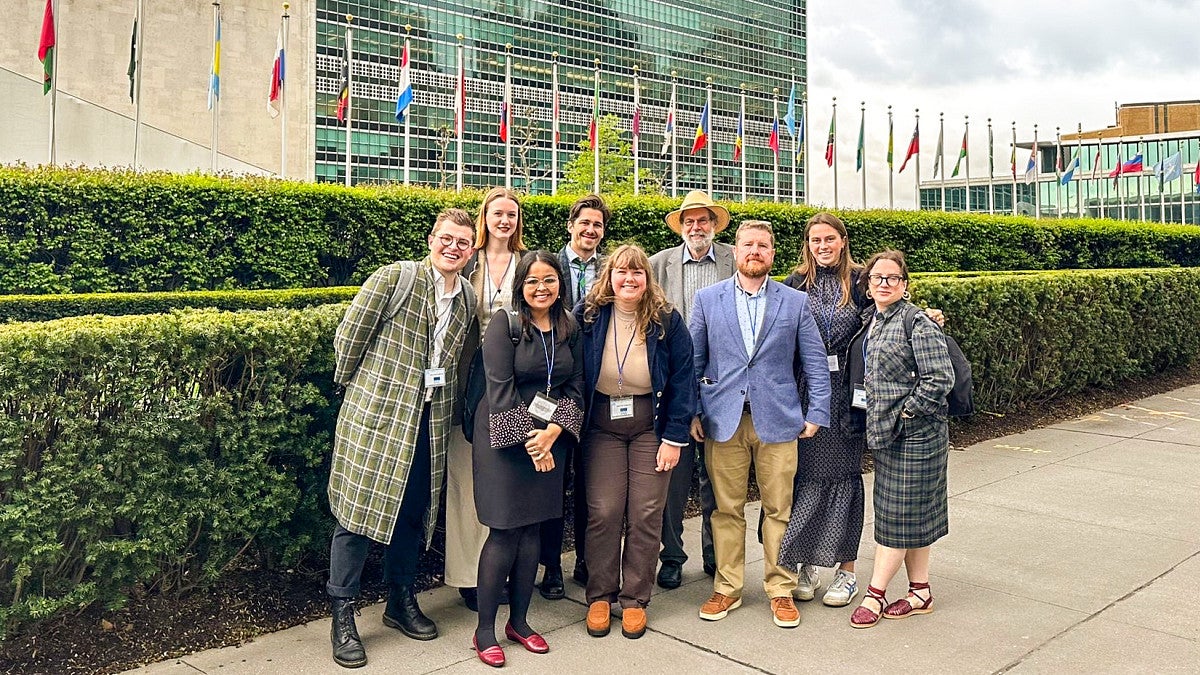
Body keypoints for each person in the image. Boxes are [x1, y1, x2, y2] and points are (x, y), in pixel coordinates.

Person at [326, 208, 477, 669]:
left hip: (430, 421)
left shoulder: (468, 295)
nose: (453, 248)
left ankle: (400, 601)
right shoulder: (396, 278)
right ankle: (343, 614)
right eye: (446, 238)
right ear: (431, 238)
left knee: (414, 513)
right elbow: (349, 338)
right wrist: (360, 390)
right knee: (355, 515)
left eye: (463, 242)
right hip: (377, 415)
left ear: (471, 250)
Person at [779, 214, 947, 608]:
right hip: (805, 390)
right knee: (804, 478)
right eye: (816, 239)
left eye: (830, 239)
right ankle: (808, 564)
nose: (823, 245)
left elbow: (892, 306)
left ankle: (846, 570)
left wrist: (930, 315)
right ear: (807, 243)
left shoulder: (858, 280)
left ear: (842, 241)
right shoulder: (793, 283)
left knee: (843, 477)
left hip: (850, 392)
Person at [690, 219, 831, 629]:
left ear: (772, 254)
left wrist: (816, 413)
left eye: (763, 246)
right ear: (735, 252)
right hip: (723, 421)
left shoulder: (794, 302)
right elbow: (694, 363)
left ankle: (780, 588)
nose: (755, 251)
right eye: (748, 245)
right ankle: (728, 587)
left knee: (779, 510)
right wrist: (693, 413)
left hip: (779, 422)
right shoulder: (707, 299)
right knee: (725, 510)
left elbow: (815, 363)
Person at [576, 244, 695, 640]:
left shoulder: (666, 320)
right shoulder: (589, 316)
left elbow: (683, 380)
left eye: (637, 273)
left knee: (646, 512)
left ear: (648, 279)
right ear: (609, 277)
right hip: (601, 425)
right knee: (605, 510)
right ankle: (600, 594)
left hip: (651, 425)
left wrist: (675, 437)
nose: (629, 279)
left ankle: (634, 599)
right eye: (621, 272)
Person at [471, 251, 584, 666]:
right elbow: (498, 391)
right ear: (520, 285)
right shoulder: (505, 324)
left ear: (561, 284)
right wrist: (532, 444)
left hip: (549, 438)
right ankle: (484, 630)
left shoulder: (569, 326)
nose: (542, 288)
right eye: (533, 280)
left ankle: (519, 622)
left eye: (550, 280)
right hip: (504, 439)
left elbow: (576, 387)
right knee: (503, 533)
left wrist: (553, 433)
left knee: (534, 529)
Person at [847, 250, 954, 629]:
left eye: (893, 278)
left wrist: (906, 413)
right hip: (885, 434)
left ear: (905, 284)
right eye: (878, 278)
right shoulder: (872, 319)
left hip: (917, 436)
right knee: (913, 516)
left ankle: (875, 594)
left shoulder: (918, 323)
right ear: (869, 283)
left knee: (896, 518)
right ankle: (920, 591)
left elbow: (940, 379)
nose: (884, 284)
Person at [444, 187, 527, 613]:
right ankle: (468, 576)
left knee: (508, 481)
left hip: (514, 384)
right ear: (485, 216)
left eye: (511, 214)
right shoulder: (467, 260)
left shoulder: (527, 263)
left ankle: (506, 572)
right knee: (467, 481)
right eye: (498, 213)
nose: (504, 221)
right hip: (468, 384)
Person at [648, 190, 736, 589]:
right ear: (681, 227)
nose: (696, 227)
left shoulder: (737, 260)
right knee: (673, 478)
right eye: (689, 222)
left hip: (723, 385)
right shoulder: (657, 265)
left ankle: (717, 555)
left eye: (703, 221)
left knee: (718, 479)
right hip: (672, 386)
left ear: (714, 225)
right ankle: (672, 555)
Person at [539, 194, 610, 598]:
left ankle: (586, 559)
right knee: (551, 481)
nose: (590, 230)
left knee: (590, 482)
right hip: (555, 384)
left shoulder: (609, 269)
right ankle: (550, 565)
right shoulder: (549, 265)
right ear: (571, 225)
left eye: (597, 225)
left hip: (595, 388)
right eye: (584, 222)